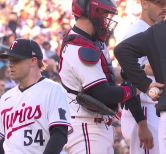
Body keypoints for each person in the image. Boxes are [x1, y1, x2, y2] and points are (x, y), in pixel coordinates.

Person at [58, 0, 153, 153]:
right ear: (92, 12)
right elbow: (105, 94)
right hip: (86, 128)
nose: (107, 19)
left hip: (94, 126)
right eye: (104, 13)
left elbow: (108, 75)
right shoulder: (79, 47)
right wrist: (140, 87)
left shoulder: (91, 40)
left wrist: (139, 71)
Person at [0, 39, 71, 154]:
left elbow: (59, 134)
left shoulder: (53, 90)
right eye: (9, 60)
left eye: (16, 60)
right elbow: (9, 140)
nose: (10, 65)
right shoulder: (6, 98)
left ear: (33, 61)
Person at [119, 1, 166, 153]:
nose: (164, 7)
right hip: (142, 111)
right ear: (144, 3)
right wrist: (142, 123)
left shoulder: (155, 30)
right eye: (159, 3)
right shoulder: (136, 32)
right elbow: (127, 79)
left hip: (153, 109)